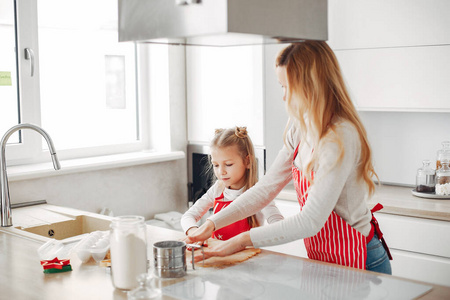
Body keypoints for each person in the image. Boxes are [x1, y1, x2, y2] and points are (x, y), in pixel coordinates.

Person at [186, 41, 392, 274]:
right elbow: (265, 189)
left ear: (311, 87)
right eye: (281, 86)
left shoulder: (339, 136)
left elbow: (310, 221)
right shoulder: (299, 126)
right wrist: (213, 223)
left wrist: (239, 240)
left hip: (361, 258)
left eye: (288, 87)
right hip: (322, 256)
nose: (283, 97)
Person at [181, 126, 284, 241]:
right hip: (217, 254)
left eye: (228, 164)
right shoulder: (218, 189)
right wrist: (195, 233)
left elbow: (279, 226)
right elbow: (188, 216)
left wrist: (259, 238)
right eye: (216, 165)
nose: (221, 172)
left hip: (248, 257)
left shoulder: (260, 193)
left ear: (248, 161)